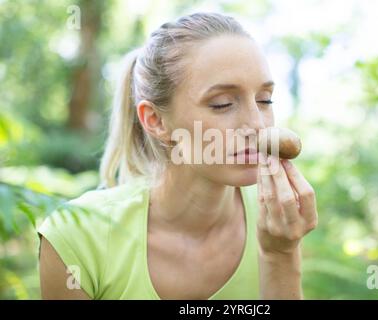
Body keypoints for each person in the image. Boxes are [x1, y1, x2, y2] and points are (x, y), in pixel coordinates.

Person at [38, 12, 318, 300]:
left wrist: (280, 254)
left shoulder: (277, 220)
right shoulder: (78, 236)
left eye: (264, 100)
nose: (258, 125)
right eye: (222, 104)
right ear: (156, 120)